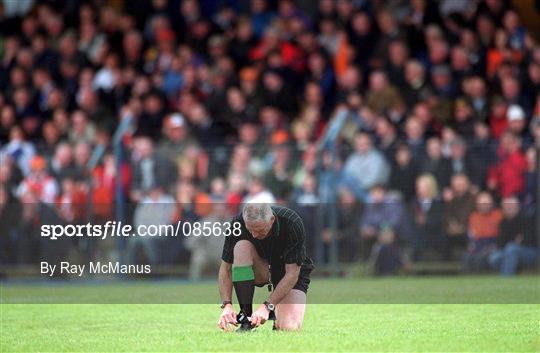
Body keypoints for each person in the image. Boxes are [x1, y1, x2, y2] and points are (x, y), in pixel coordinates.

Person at [218, 203, 314, 332]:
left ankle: (276, 316)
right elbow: (226, 269)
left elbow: (292, 274)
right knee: (241, 247)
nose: (254, 235)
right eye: (250, 230)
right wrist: (227, 305)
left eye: (260, 230)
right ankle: (246, 321)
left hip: (287, 271)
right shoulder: (237, 223)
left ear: (272, 219)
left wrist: (268, 306)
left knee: (288, 328)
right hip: (261, 267)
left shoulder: (292, 222)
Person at [488, 197, 537, 275]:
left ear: (517, 207)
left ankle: (506, 279)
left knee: (511, 249)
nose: (509, 208)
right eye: (506, 207)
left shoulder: (526, 219)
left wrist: (515, 243)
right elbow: (501, 242)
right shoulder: (503, 223)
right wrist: (515, 241)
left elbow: (529, 240)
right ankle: (513, 272)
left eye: (511, 206)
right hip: (508, 251)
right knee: (494, 257)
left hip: (530, 251)